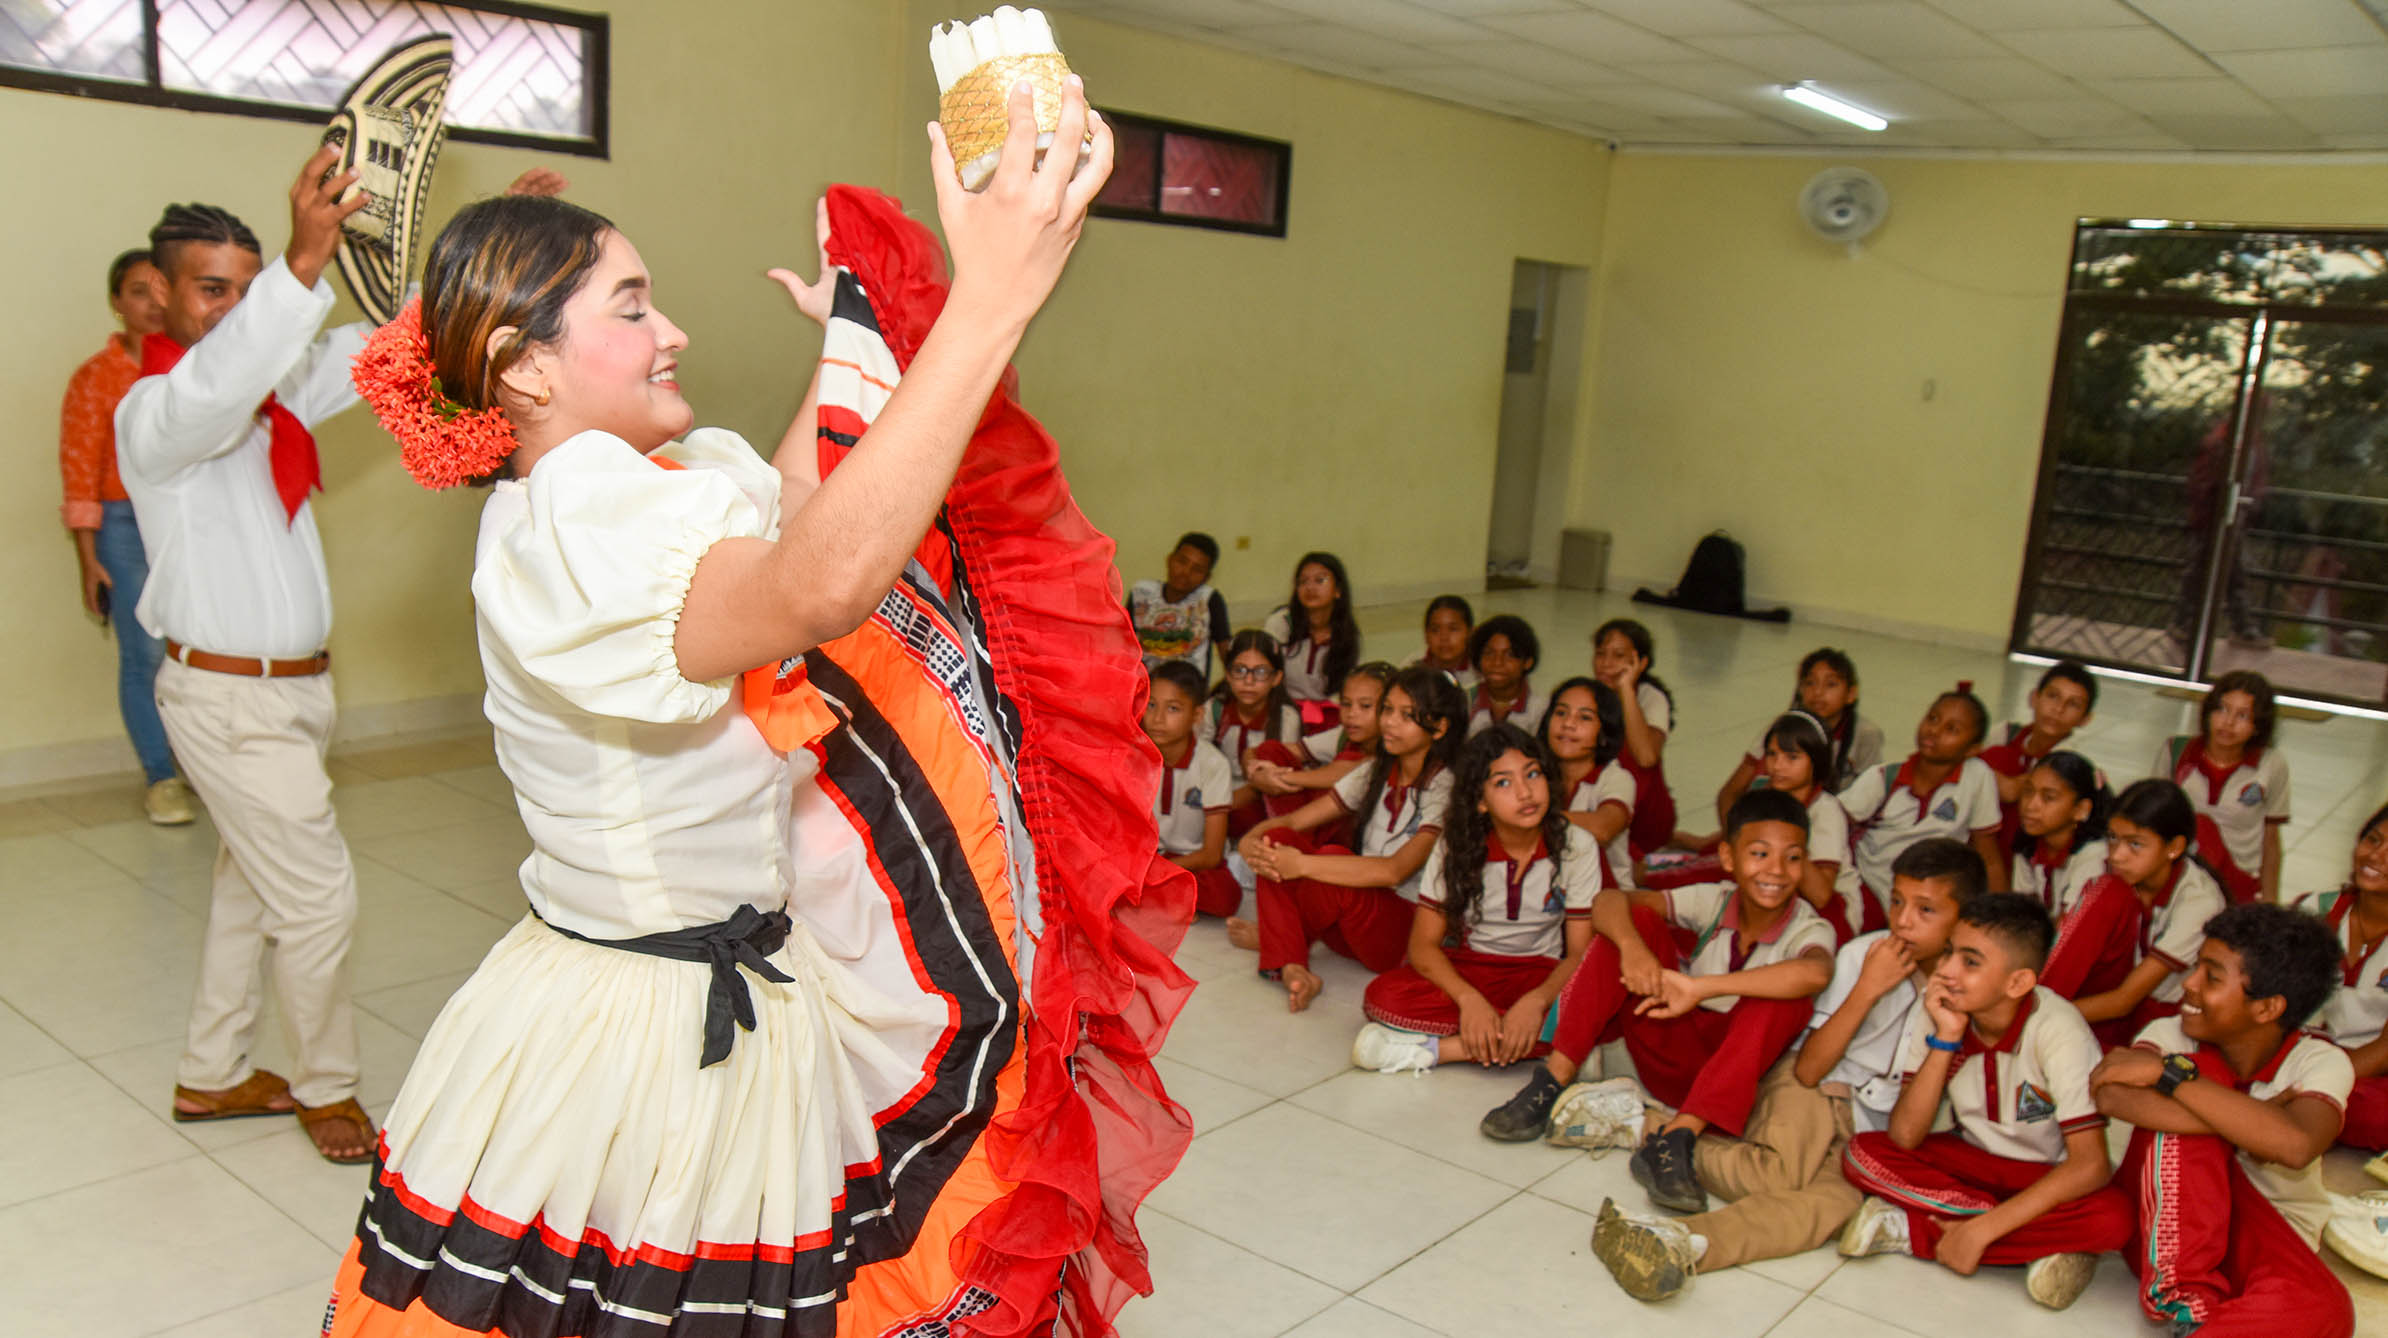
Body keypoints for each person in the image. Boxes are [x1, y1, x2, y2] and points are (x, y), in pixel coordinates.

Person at [329, 89, 1190, 1337]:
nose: (671, 328)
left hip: (702, 994)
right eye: (630, 309)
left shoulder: (631, 492)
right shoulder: (585, 524)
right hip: (648, 1032)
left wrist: (853, 345)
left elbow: (790, 503)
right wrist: (991, 301)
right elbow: (817, 581)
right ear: (525, 369)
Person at [116, 153, 383, 1163]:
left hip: (295, 701)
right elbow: (216, 389)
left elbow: (371, 350)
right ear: (163, 297)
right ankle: (329, 1086)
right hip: (229, 706)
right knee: (318, 899)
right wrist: (301, 269)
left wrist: (473, 251)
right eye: (210, 289)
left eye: (244, 285)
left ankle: (214, 1074)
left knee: (252, 886)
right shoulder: (158, 416)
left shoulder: (270, 405)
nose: (230, 310)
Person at [1590, 839, 1984, 1302]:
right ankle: (1652, 1128)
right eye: (1897, 901)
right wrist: (1868, 990)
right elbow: (1813, 1068)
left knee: (1836, 1204)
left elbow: (1908, 1130)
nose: (1901, 921)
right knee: (1782, 1175)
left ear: (1965, 921)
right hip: (1814, 1086)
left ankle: (1680, 1242)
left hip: (1867, 1127)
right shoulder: (1863, 956)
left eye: (1925, 910)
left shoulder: (1973, 992)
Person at [1480, 788, 1835, 1220]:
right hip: (1672, 1048)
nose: (1776, 871)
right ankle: (1551, 1082)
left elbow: (1816, 973)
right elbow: (1607, 901)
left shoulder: (1809, 926)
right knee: (1635, 925)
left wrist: (1700, 988)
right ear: (1728, 856)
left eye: (1793, 857)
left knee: (1783, 999)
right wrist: (1633, 948)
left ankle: (1676, 1140)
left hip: (1730, 1083)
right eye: (1759, 853)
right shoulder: (1717, 898)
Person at [1838, 894, 2132, 1312]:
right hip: (1971, 1163)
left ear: (2017, 983)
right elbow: (1904, 1136)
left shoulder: (2059, 1028)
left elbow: (2089, 1165)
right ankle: (2035, 1244)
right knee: (1862, 1153)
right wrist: (1946, 1039)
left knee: (2115, 1218)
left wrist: (1984, 1229)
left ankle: (1911, 1229)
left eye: (1970, 962)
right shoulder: (1942, 1009)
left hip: (2045, 1176)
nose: (1945, 971)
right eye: (1949, 953)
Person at [2092, 904, 2355, 1338]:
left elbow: (2296, 1146)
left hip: (2265, 1226)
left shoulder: (2320, 1061)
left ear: (2268, 1008)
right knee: (2202, 1072)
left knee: (2326, 1310)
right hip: (2163, 1220)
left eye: (2211, 977)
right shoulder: (2170, 1033)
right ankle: (2187, 1298)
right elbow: (2111, 1092)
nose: (2189, 984)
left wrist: (2167, 1076)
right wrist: (2259, 1123)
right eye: (2196, 966)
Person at [1348, 726, 1596, 1074]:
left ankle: (1439, 1051)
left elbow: (1580, 955)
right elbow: (1422, 946)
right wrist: (1469, 1001)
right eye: (1503, 783)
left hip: (1540, 972)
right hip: (1471, 966)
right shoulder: (1456, 845)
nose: (1525, 792)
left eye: (1533, 774)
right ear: (1480, 801)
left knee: (1593, 1006)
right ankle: (1541, 1043)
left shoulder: (1577, 846)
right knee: (1384, 997)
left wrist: (1536, 1001)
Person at [1236, 667, 1464, 1012]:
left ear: (1440, 726)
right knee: (1278, 839)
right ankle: (1292, 966)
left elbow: (1394, 872)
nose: (1389, 722)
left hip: (1404, 931)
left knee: (1329, 856)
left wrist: (1303, 864)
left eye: (1406, 715)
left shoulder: (1445, 786)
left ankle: (1280, 942)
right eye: (1387, 710)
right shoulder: (1376, 771)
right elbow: (1295, 821)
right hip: (1353, 928)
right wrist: (1251, 840)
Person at [58, 246, 193, 825]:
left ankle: (205, 767)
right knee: (143, 655)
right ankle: (162, 778)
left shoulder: (194, 368)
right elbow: (79, 468)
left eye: (159, 289)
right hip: (122, 524)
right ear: (118, 303)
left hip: (188, 519)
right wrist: (89, 560)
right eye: (137, 291)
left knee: (193, 649)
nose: (151, 302)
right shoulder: (97, 378)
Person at [2041, 778, 2227, 1047]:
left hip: (2157, 1013)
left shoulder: (2199, 900)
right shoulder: (2096, 858)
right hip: (2088, 993)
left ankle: (2035, 1012)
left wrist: (2041, 1016)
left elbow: (2125, 1001)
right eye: (2113, 838)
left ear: (2174, 847)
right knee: (2108, 891)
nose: (2117, 855)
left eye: (2135, 844)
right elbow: (2061, 943)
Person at [1838, 686, 2008, 930]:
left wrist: (1998, 921)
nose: (1934, 730)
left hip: (1932, 897)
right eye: (1933, 718)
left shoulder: (1977, 777)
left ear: (1973, 749)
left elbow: (1989, 858)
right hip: (1871, 890)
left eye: (1952, 729)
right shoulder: (1883, 778)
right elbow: (1830, 823)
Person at [2287, 800, 2388, 1155]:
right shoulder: (2314, 908)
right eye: (2372, 840)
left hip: (2367, 1070)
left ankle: (2296, 1106)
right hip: (2296, 1052)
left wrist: (2312, 1082)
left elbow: (2385, 1049)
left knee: (2378, 1114)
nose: (2376, 856)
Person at [2154, 670, 2290, 903]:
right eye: (2222, 709)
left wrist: (2270, 902)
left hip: (2237, 883)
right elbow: (2154, 820)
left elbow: (2271, 839)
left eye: (2243, 716)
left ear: (2258, 726)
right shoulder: (2176, 751)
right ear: (2208, 713)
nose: (2228, 722)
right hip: (2179, 876)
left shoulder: (2271, 764)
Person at [1712, 647, 1880, 822]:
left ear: (1851, 694)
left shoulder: (1866, 735)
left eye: (1831, 684)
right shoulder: (1782, 729)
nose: (1818, 692)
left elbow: (1870, 800)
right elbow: (1729, 793)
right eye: (1809, 683)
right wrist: (1735, 838)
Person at [1980, 660, 2097, 861]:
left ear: (2085, 719)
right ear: (2034, 698)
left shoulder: (2070, 758)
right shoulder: (2007, 733)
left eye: (2073, 704)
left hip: (2028, 851)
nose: (2058, 709)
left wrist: (1982, 772)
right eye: (2052, 696)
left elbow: (2009, 791)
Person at [1243, 660, 1391, 814]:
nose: (1351, 714)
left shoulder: (1394, 747)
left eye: (1365, 706)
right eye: (1346, 704)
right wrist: (1255, 773)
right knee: (1270, 750)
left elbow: (1341, 772)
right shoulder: (1343, 734)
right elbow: (1254, 752)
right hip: (1314, 816)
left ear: (1388, 708)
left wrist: (1277, 777)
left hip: (1351, 829)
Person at [1148, 660, 1236, 917]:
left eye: (1173, 708)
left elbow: (1211, 854)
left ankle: (1159, 894)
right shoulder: (1134, 755)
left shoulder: (1212, 764)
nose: (1158, 718)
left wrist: (1162, 870)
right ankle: (1164, 896)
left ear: (1197, 715)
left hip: (1191, 861)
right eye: (1151, 705)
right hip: (1149, 857)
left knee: (1224, 896)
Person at [1591, 618, 1677, 860]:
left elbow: (1646, 756)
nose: (1606, 664)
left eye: (1618, 656)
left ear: (1641, 663)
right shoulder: (1587, 694)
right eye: (1600, 654)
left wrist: (1626, 689)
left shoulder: (1651, 697)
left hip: (1643, 814)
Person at [1205, 628, 1303, 836]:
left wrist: (1224, 807)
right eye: (1239, 670)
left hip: (1263, 798)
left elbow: (1276, 780)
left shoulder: (1286, 718)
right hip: (1213, 794)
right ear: (1228, 675)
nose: (1248, 681)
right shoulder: (1214, 709)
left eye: (1260, 672)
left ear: (1276, 678)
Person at [1540, 675, 1631, 887]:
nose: (1568, 724)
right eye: (1561, 713)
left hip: (1607, 897)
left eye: (1585, 717)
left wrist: (1529, 820)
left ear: (1604, 734)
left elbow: (1603, 828)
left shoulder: (1615, 778)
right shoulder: (1535, 772)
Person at [1262, 551, 1360, 730]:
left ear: (1338, 590)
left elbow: (1346, 691)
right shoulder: (1281, 623)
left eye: (1320, 580)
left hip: (1328, 715)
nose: (1310, 588)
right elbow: (1264, 674)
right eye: (1303, 582)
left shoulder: (1346, 635)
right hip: (1280, 709)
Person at [2010, 751, 2109, 919]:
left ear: (2080, 809)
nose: (2031, 806)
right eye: (2028, 792)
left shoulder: (2094, 854)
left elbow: (2068, 927)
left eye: (2048, 797)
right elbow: (2022, 913)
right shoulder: (2027, 845)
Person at [1128, 530, 1229, 675]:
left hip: (1189, 690)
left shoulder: (1209, 600)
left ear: (1206, 577)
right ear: (1169, 560)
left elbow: (1225, 652)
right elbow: (1122, 644)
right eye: (1182, 562)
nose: (1185, 572)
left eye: (1197, 569)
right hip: (1144, 686)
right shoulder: (1141, 593)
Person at [1465, 613, 1546, 736]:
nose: (1497, 663)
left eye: (1510, 655)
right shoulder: (1463, 701)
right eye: (1489, 653)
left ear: (1527, 662)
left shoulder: (1541, 710)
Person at [1414, 593, 1476, 688]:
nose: (1444, 638)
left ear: (1470, 633)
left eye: (1453, 629)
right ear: (1426, 635)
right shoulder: (1413, 668)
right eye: (1435, 630)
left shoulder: (1481, 673)